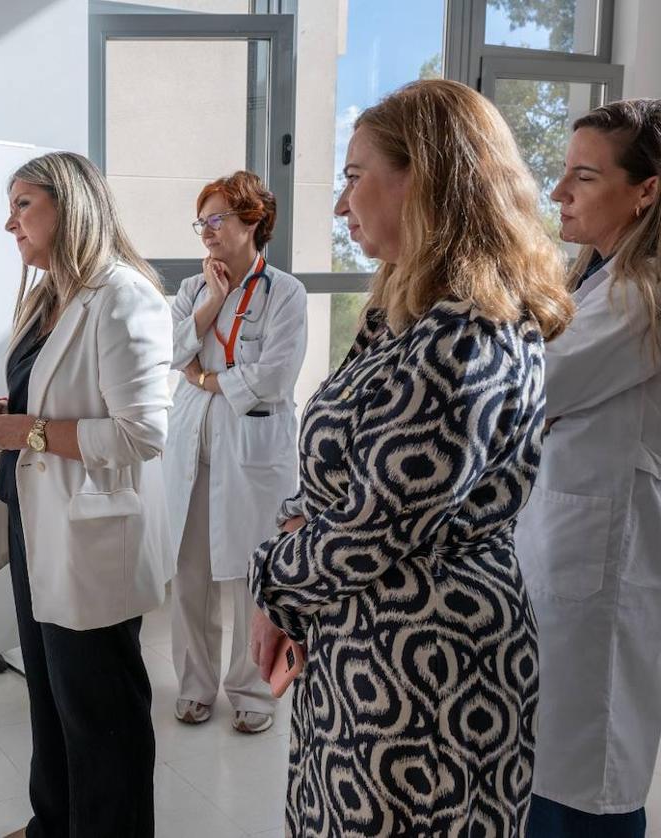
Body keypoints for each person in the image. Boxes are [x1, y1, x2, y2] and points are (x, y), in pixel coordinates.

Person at [247, 80, 574, 835]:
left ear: (422, 175)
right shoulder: (413, 319)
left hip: (423, 673)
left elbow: (373, 526)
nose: (339, 206)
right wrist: (295, 578)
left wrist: (272, 583)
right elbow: (346, 483)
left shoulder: (464, 336)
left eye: (355, 176)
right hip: (372, 646)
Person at [0, 151, 172, 838]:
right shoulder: (46, 299)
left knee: (101, 713)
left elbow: (142, 433)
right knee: (51, 698)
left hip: (88, 533)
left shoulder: (124, 295)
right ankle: (52, 825)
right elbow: (57, 398)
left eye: (24, 204)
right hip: (37, 521)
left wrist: (27, 431)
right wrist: (14, 411)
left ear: (72, 205)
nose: (10, 223)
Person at [514, 99, 661, 838]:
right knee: (554, 767)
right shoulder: (596, 283)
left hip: (601, 569)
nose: (559, 193)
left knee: (588, 783)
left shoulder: (641, 294)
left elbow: (531, 388)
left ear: (646, 191)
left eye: (584, 177)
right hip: (563, 549)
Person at [165, 171, 307, 734]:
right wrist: (213, 303)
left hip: (250, 454)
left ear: (253, 221)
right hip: (193, 448)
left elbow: (273, 376)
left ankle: (253, 692)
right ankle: (195, 686)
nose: (207, 230)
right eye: (202, 220)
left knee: (253, 577)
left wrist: (205, 379)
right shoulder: (192, 289)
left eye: (218, 218)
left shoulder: (285, 293)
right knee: (190, 573)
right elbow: (173, 350)